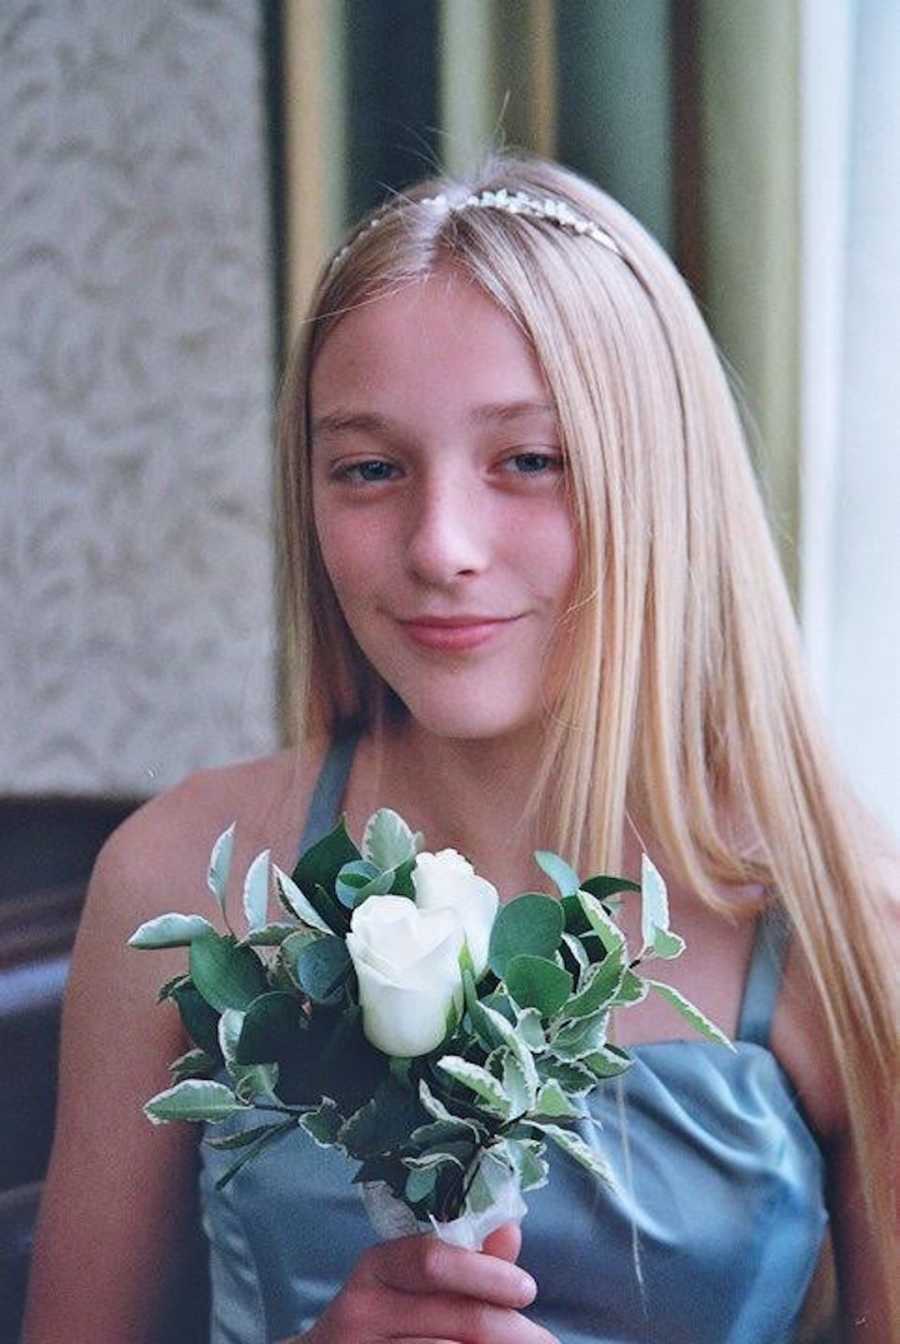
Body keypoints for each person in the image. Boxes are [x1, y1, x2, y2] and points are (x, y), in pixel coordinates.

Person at [23, 152, 897, 1344]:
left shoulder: (846, 922)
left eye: (528, 461)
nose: (441, 545)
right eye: (370, 469)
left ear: (662, 487)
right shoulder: (174, 876)